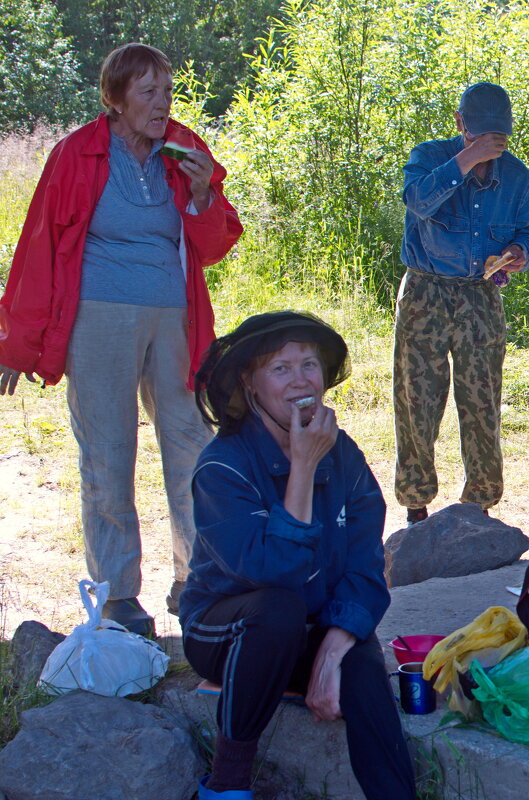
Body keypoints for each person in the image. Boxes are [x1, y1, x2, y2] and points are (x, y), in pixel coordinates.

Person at [0, 43, 242, 636]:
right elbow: (39, 247)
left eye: (166, 90)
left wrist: (203, 195)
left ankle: (198, 576)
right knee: (108, 451)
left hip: (174, 317)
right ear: (115, 99)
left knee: (192, 442)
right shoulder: (77, 153)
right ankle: (117, 593)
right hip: (98, 317)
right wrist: (16, 342)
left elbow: (213, 246)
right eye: (148, 93)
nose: (162, 104)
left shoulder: (185, 149)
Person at [181, 311, 417, 800]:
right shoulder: (223, 466)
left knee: (363, 664)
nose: (300, 380)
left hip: (308, 628)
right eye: (280, 369)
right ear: (250, 384)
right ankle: (227, 783)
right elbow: (276, 572)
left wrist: (333, 649)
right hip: (230, 634)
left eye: (309, 364)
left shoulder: (343, 453)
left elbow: (366, 566)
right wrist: (303, 467)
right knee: (279, 610)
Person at [393, 82, 529, 524]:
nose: (491, 144)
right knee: (417, 396)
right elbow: (415, 200)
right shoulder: (429, 156)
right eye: (481, 134)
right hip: (426, 289)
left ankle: (479, 502)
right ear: (460, 123)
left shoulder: (516, 176)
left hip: (480, 295)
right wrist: (465, 161)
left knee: (482, 399)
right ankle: (416, 502)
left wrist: (520, 254)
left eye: (499, 136)